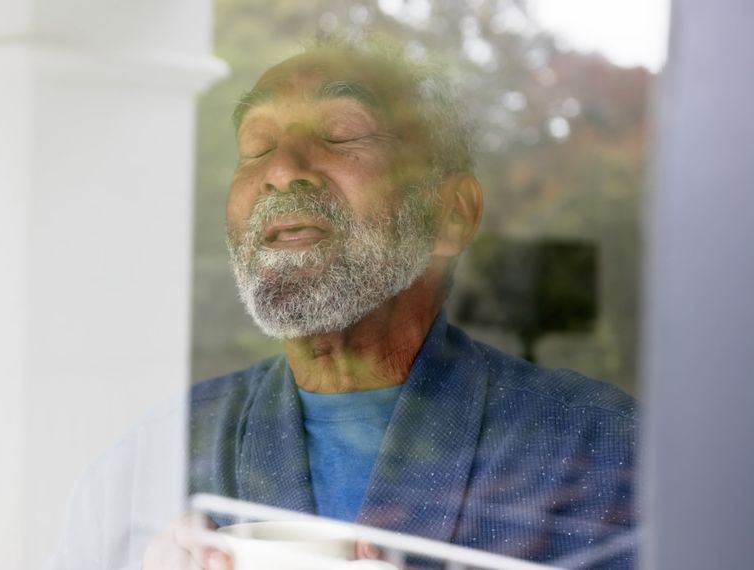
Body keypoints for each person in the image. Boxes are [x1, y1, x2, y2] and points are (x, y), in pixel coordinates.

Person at [47, 38, 637, 570]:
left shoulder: (606, 455)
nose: (281, 171)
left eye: (342, 134)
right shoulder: (148, 467)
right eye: (255, 145)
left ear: (452, 213)